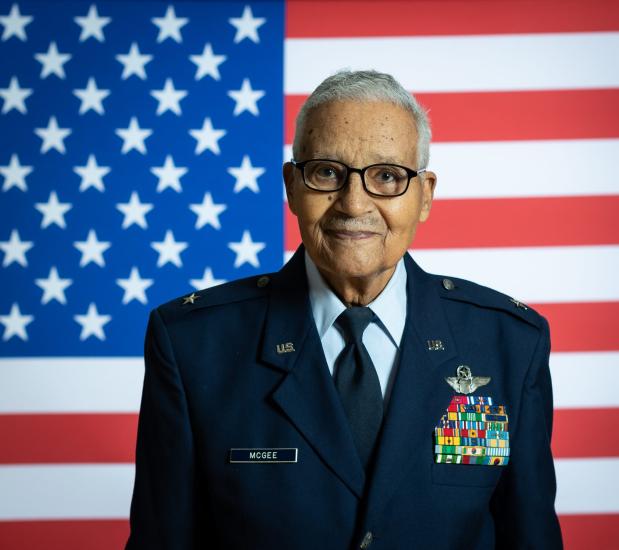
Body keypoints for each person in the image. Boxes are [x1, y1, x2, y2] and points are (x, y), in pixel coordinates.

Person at [126, 70, 563, 549]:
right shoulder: (193, 344)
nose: (354, 204)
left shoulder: (508, 343)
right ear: (292, 185)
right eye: (327, 172)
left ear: (425, 196)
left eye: (387, 176)